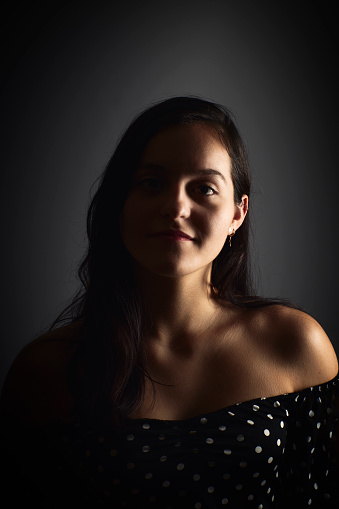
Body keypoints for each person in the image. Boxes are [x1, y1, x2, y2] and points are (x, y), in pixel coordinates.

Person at [1, 96, 338, 508]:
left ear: (238, 213)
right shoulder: (44, 371)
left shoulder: (296, 345)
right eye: (152, 183)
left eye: (204, 188)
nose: (176, 207)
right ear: (119, 204)